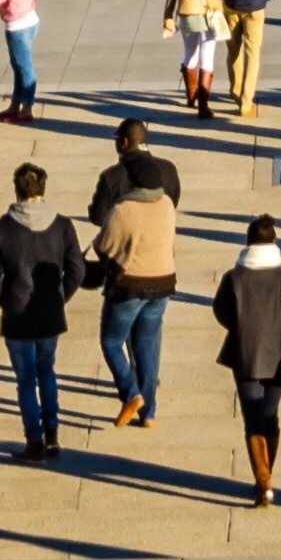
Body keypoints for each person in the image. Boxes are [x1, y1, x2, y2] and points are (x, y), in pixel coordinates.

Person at [0, 163, 78, 461]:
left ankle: (33, 441)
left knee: (25, 379)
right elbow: (77, 269)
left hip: (17, 314)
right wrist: (61, 296)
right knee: (47, 371)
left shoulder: (1, 228)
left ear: (17, 189)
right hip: (49, 313)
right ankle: (52, 434)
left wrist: (7, 300)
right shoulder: (62, 225)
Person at [213, 215, 281, 508]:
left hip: (245, 357)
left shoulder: (234, 277)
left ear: (248, 242)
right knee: (270, 417)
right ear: (273, 241)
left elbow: (221, 313)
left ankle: (263, 482)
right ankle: (266, 475)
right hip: (277, 357)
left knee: (252, 420)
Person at [95, 152, 177, 426]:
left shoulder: (123, 209)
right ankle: (149, 413)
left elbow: (104, 246)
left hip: (129, 285)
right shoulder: (166, 204)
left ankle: (131, 392)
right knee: (145, 345)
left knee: (111, 341)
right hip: (163, 282)